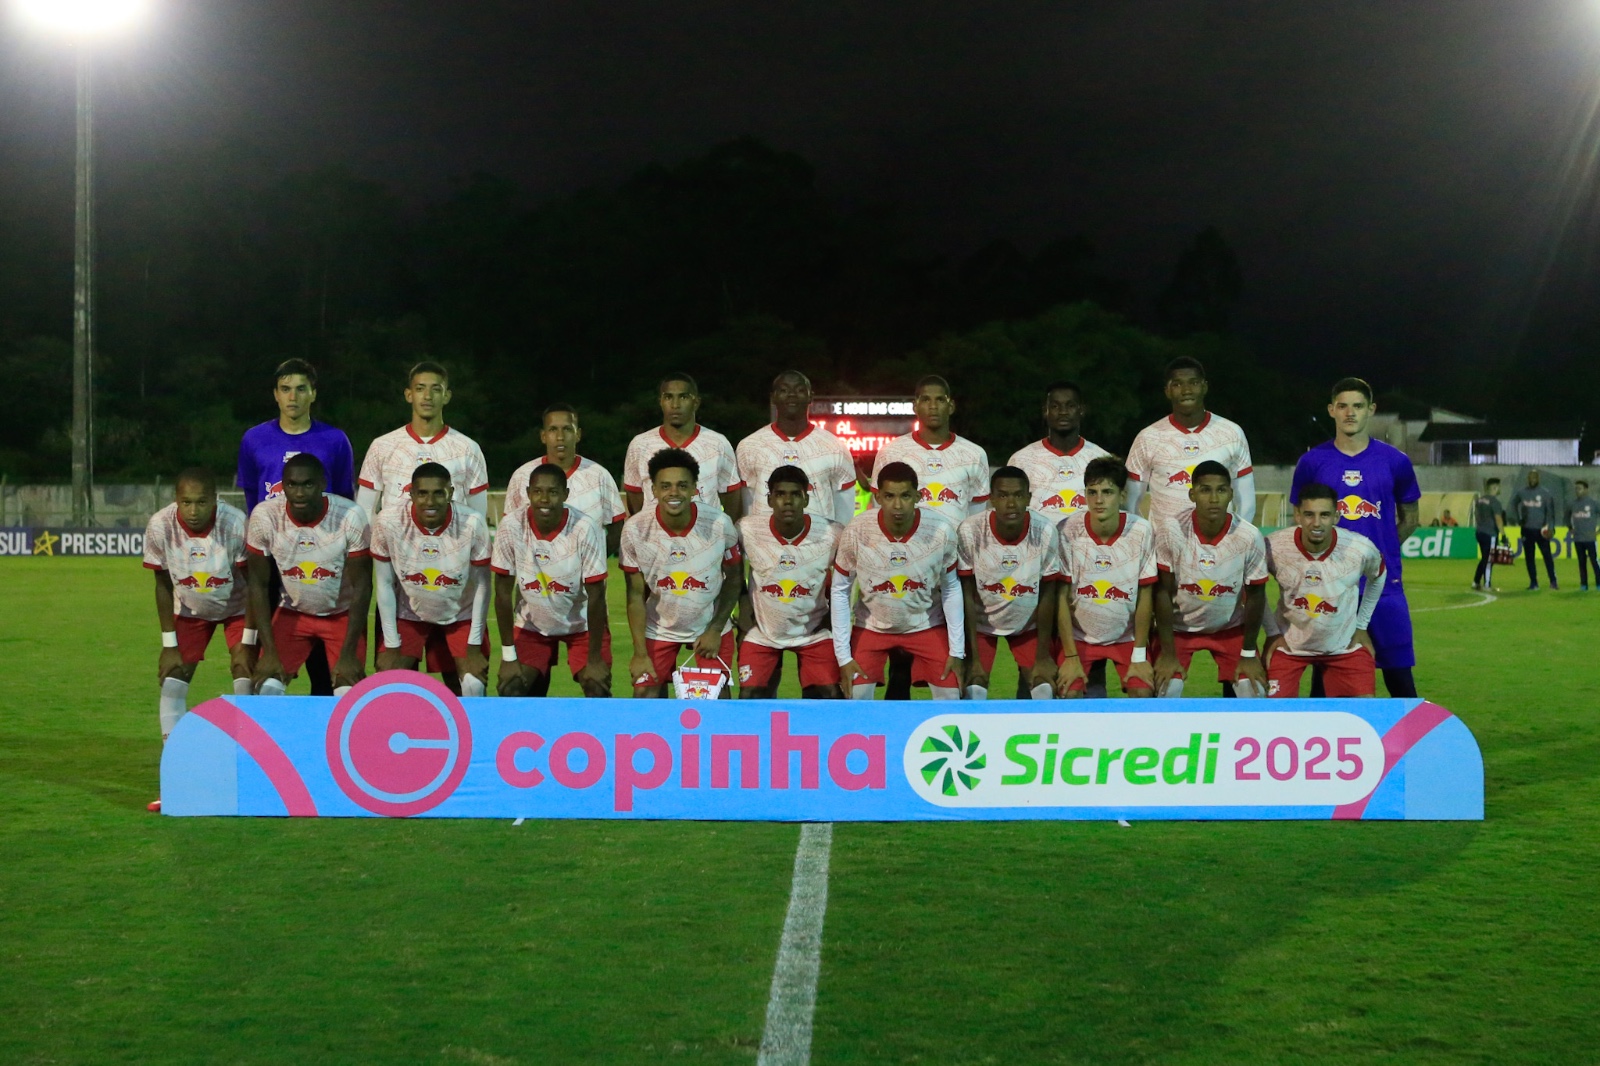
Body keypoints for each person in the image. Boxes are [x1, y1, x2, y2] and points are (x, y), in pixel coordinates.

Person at [1288, 377, 1421, 698]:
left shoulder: (1395, 461)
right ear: (1331, 410)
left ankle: (1411, 746)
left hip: (1384, 587)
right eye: (1343, 406)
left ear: (1371, 410)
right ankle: (1322, 745)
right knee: (1325, 678)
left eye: (1358, 406)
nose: (1350, 413)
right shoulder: (1312, 462)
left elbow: (1412, 519)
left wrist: (1377, 555)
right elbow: (1301, 519)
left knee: (1398, 675)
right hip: (1330, 588)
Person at [237, 358, 355, 696]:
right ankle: (265, 732)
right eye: (286, 389)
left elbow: (344, 497)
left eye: (301, 389)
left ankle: (322, 729)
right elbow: (250, 493)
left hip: (321, 558)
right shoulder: (254, 439)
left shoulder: (334, 440)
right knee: (269, 650)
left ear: (313, 393)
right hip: (273, 556)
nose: (293, 397)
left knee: (320, 654)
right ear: (275, 394)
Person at [142, 469, 254, 811]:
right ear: (176, 500)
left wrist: (248, 641)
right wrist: (169, 643)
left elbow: (254, 586)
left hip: (238, 608)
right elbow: (161, 585)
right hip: (189, 610)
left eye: (201, 501)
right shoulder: (160, 526)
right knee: (172, 683)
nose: (193, 510)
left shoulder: (236, 523)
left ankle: (251, 775)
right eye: (186, 502)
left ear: (215, 499)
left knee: (244, 675)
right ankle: (176, 778)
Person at [832, 461, 964, 700]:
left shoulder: (941, 530)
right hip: (871, 627)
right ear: (878, 496)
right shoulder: (857, 530)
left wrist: (957, 651)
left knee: (952, 696)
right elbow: (840, 590)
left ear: (918, 496)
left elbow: (951, 587)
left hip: (925, 625)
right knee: (855, 697)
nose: (897, 505)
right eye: (890, 496)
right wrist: (844, 657)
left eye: (905, 496)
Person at [619, 448, 743, 697]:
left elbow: (735, 578)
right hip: (659, 628)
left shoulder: (719, 524)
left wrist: (716, 628)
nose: (673, 493)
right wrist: (640, 654)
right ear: (653, 490)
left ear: (695, 488)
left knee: (716, 702)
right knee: (644, 696)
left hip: (708, 626)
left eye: (682, 485)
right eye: (665, 486)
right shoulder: (635, 530)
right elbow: (634, 596)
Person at [247, 453, 372, 696]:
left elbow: (363, 587)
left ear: (323, 484)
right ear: (283, 486)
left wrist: (348, 654)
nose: (300, 493)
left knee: (347, 693)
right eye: (292, 485)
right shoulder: (265, 516)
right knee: (267, 688)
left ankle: (334, 735)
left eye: (308, 484)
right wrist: (270, 652)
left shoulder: (350, 516)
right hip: (293, 613)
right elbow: (258, 585)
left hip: (341, 614)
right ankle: (280, 736)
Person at [370, 463, 491, 697]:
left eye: (438, 493)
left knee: (473, 684)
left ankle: (473, 732)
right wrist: (392, 644)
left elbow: (484, 585)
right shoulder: (388, 522)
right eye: (422, 493)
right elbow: (384, 584)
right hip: (409, 613)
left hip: (460, 614)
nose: (430, 501)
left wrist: (474, 645)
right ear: (411, 494)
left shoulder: (472, 523)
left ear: (451, 493)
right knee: (389, 682)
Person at [1151, 460, 1269, 699]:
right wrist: (1168, 653)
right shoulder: (1171, 529)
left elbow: (1256, 595)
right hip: (1178, 629)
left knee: (1253, 691)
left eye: (1221, 490)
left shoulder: (1248, 535)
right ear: (1192, 494)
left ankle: (1237, 736)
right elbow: (1161, 592)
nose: (1214, 498)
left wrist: (1248, 654)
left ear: (1231, 494)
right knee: (1165, 690)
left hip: (1230, 629)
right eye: (1205, 490)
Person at [493, 463, 613, 697]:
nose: (544, 499)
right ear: (528, 494)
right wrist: (508, 656)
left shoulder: (584, 527)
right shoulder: (511, 526)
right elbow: (502, 593)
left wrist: (595, 658)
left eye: (553, 492)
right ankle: (527, 734)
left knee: (597, 686)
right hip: (532, 626)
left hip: (581, 626)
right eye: (538, 491)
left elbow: (597, 594)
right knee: (511, 687)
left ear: (566, 495)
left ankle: (592, 734)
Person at [1262, 483, 1386, 698]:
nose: (1317, 523)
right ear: (1298, 515)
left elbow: (1379, 576)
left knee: (1365, 712)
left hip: (1344, 647)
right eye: (1309, 515)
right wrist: (1272, 632)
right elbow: (1252, 587)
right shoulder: (1273, 547)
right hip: (1288, 646)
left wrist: (1362, 625)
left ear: (1336, 517)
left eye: (1325, 515)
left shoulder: (1360, 549)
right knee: (1274, 716)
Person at [957, 466, 1069, 700]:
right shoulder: (970, 530)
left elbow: (1048, 592)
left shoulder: (1045, 530)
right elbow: (965, 593)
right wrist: (973, 658)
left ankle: (1038, 735)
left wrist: (1042, 656)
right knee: (973, 687)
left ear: (1028, 498)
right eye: (1004, 495)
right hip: (980, 625)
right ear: (992, 498)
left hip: (1027, 626)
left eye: (1018, 495)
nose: (1011, 503)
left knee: (1044, 687)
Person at [738, 466, 844, 699]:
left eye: (795, 494)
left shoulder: (832, 534)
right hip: (763, 632)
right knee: (750, 700)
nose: (788, 501)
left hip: (814, 631)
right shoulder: (746, 530)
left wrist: (836, 617)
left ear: (806, 498)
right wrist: (744, 600)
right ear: (769, 499)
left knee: (828, 699)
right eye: (780, 494)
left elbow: (849, 579)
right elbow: (730, 569)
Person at [1055, 456, 1156, 698]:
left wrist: (1140, 656)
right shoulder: (1066, 530)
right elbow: (1059, 596)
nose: (1099, 500)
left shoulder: (1142, 531)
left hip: (1126, 637)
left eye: (1108, 492)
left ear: (1122, 495)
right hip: (1079, 638)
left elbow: (1145, 595)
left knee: (1143, 694)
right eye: (1093, 492)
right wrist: (1070, 656)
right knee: (1069, 694)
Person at [1124, 356, 1255, 527]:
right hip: (1165, 550)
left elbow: (1246, 500)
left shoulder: (1231, 433)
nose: (1186, 390)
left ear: (1204, 387)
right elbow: (1130, 502)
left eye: (1193, 383)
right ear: (1167, 391)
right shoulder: (1148, 437)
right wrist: (1145, 538)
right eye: (1177, 384)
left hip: (1218, 549)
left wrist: (1234, 541)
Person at [356, 361, 490, 520]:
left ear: (446, 396)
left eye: (436, 389)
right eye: (420, 389)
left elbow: (478, 516)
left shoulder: (468, 448)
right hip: (396, 544)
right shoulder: (382, 446)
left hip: (449, 543)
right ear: (409, 395)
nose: (428, 396)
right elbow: (365, 510)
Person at [503, 403, 626, 556]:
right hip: (534, 577)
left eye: (567, 429)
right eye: (553, 429)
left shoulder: (599, 476)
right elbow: (508, 531)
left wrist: (593, 562)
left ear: (578, 434)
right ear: (543, 436)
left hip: (585, 579)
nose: (560, 437)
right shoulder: (522, 476)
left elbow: (617, 529)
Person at [736, 370, 857, 525]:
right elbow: (747, 505)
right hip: (765, 545)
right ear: (773, 397)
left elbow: (844, 510)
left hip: (819, 544)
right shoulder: (750, 445)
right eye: (784, 390)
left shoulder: (834, 446)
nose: (791, 395)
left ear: (810, 396)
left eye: (799, 390)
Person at [871, 375, 991, 527]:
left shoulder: (974, 454)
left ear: (951, 406)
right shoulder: (891, 451)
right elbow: (880, 511)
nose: (933, 406)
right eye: (926, 399)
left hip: (955, 548)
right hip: (910, 548)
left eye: (940, 400)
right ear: (915, 406)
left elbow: (977, 519)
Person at [622, 372, 743, 518]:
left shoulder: (718, 443)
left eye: (683, 397)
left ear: (696, 402)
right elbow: (635, 498)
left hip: (705, 536)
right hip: (656, 538)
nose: (675, 405)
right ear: (660, 401)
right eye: (668, 397)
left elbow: (731, 496)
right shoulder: (640, 445)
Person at [1006, 380, 1110, 519]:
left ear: (1081, 410)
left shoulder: (1102, 459)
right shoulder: (1021, 460)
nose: (1063, 412)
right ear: (1045, 411)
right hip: (1038, 540)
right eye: (1055, 406)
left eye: (1070, 406)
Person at [1513, 468, 1559, 590]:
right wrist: (1518, 519)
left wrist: (1551, 528)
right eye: (1530, 477)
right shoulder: (1521, 492)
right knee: (1529, 557)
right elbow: (1513, 505)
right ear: (1527, 479)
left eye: (1534, 477)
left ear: (1538, 479)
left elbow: (1551, 513)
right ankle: (1533, 582)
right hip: (1527, 529)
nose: (1532, 480)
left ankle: (1553, 581)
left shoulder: (1545, 493)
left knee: (1547, 556)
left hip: (1541, 531)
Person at [1471, 477, 1506, 591]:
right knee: (1490, 560)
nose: (1500, 489)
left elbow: (1476, 515)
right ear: (1494, 487)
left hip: (1480, 532)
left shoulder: (1479, 500)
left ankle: (1476, 582)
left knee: (1485, 558)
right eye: (1498, 487)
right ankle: (1487, 584)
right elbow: (1498, 519)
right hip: (1490, 533)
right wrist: (1503, 535)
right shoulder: (1495, 502)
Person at [1569, 480, 1597, 591]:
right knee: (1581, 562)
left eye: (1579, 488)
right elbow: (1566, 516)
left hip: (1590, 538)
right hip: (1578, 538)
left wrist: (1598, 531)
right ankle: (1583, 584)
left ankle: (1598, 583)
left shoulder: (1593, 503)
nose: (1577, 491)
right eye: (1576, 488)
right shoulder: (1573, 504)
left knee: (1594, 561)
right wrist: (1570, 528)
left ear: (1586, 490)